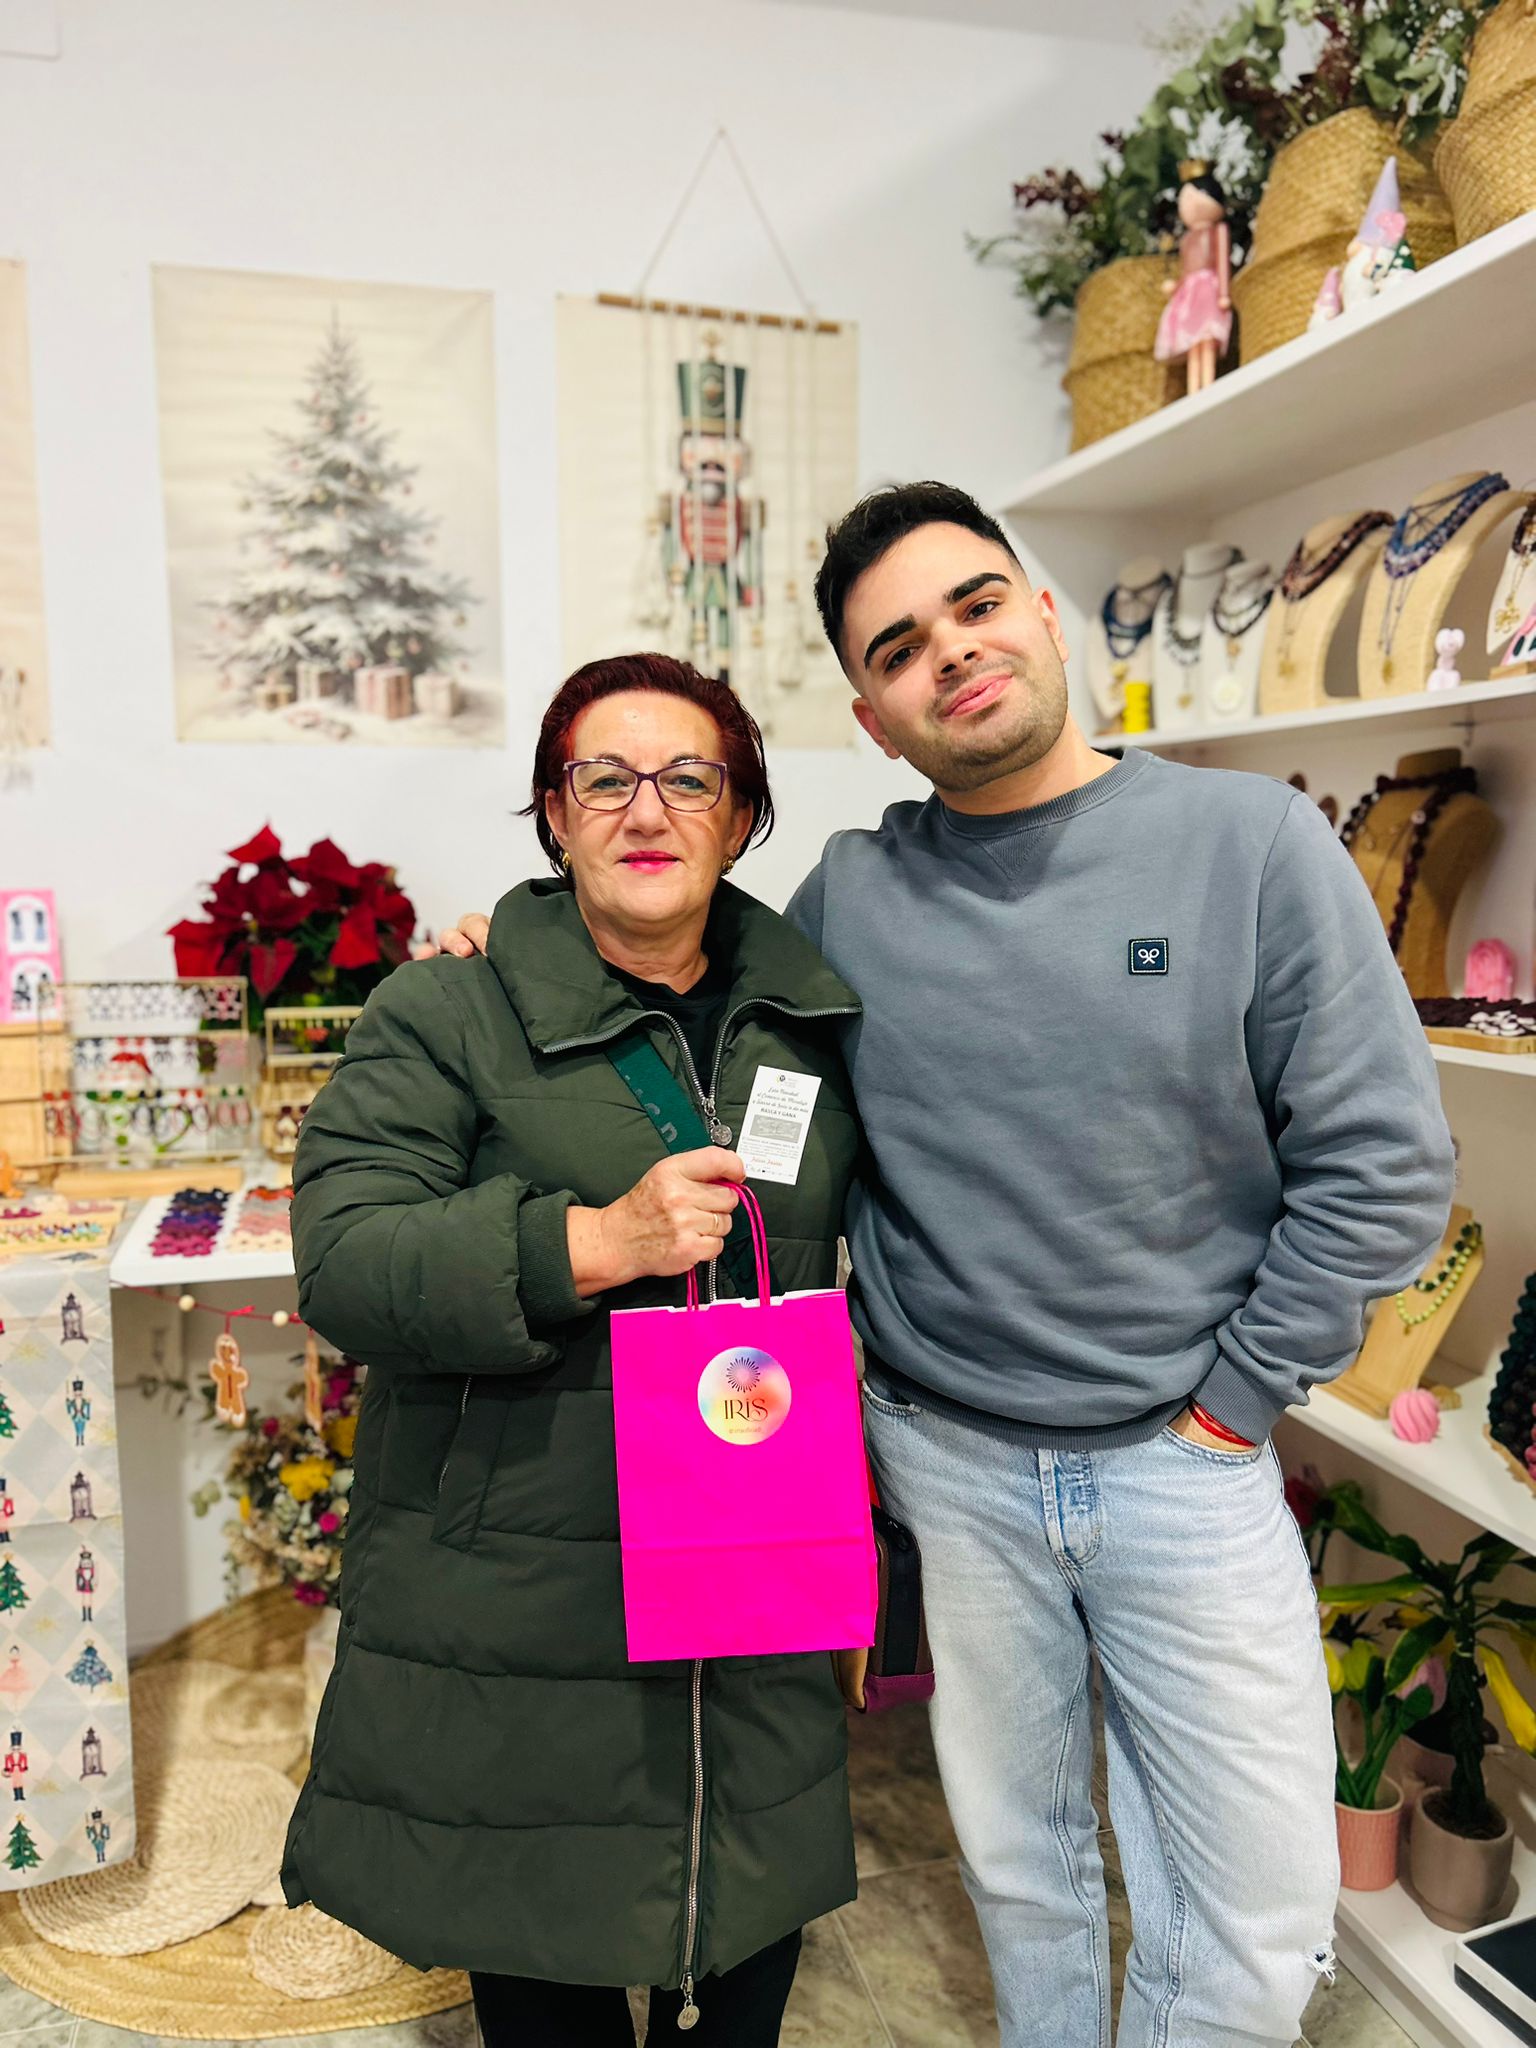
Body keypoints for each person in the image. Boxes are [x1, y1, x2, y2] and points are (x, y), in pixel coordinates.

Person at [436, 484, 1457, 2048]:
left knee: (1255, 1923)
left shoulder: (1247, 845)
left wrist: (1236, 1404)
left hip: (1187, 1462)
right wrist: (500, 955)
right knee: (1024, 1871)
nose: (953, 654)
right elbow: (680, 976)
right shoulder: (857, 895)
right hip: (952, 1464)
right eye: (900, 648)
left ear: (1042, 612)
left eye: (976, 605)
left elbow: (1384, 1167)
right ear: (874, 717)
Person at [282, 653, 864, 2048]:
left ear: (742, 815)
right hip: (532, 1596)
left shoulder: (815, 1023)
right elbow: (344, 1257)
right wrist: (591, 1243)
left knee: (749, 1949)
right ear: (555, 814)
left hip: (758, 1563)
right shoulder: (449, 1009)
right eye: (604, 779)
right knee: (547, 1976)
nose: (645, 809)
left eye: (689, 779)